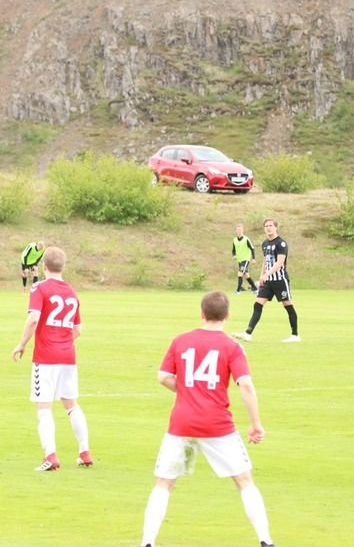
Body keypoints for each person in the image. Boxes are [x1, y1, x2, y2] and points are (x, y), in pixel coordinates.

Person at [140, 291, 276, 547]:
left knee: (164, 483)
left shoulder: (181, 341)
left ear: (201, 313)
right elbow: (246, 385)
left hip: (182, 424)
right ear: (227, 316)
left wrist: (188, 391)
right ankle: (265, 540)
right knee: (244, 481)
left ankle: (147, 542)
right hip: (217, 426)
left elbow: (163, 377)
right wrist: (256, 424)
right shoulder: (232, 346)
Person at [11, 246, 92, 471]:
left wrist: (21, 344)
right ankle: (85, 451)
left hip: (46, 357)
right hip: (68, 356)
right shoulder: (72, 292)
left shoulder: (39, 288)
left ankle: (51, 456)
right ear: (62, 266)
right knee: (71, 404)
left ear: (44, 266)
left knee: (43, 407)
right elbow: (78, 329)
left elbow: (33, 319)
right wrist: (63, 341)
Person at [232, 218, 299, 343]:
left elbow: (280, 262)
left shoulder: (281, 243)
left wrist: (267, 274)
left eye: (270, 225)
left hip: (280, 280)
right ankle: (248, 333)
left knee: (288, 305)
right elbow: (265, 261)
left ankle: (295, 335)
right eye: (266, 226)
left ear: (276, 227)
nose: (268, 228)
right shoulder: (265, 244)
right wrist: (261, 276)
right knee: (257, 304)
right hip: (268, 281)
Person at [231, 224, 258, 294]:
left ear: (242, 231)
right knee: (246, 276)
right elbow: (233, 250)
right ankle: (255, 289)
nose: (239, 231)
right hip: (239, 260)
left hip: (246, 259)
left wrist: (253, 259)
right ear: (236, 231)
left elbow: (252, 248)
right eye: (238, 230)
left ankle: (238, 291)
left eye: (240, 230)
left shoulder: (246, 239)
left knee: (240, 273)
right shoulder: (234, 240)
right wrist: (234, 255)